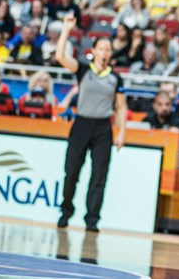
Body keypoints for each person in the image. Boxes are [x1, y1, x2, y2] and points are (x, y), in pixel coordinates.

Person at [53, 14, 128, 231]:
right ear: (93, 51)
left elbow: (121, 107)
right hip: (81, 125)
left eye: (108, 49)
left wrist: (122, 131)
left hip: (103, 128)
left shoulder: (115, 78)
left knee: (98, 177)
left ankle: (92, 219)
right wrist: (67, 29)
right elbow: (60, 56)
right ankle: (66, 211)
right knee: (71, 172)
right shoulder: (84, 70)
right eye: (101, 49)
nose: (105, 52)